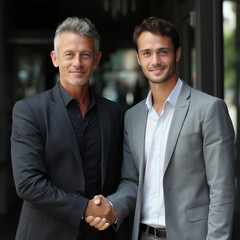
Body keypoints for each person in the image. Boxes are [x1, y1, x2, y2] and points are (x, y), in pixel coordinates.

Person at [87, 17, 235, 240]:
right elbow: (131, 182)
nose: (155, 60)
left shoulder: (209, 109)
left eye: (163, 51)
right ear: (138, 58)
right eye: (147, 53)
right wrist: (111, 206)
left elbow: (222, 189)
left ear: (177, 53)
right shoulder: (133, 117)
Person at [10, 16, 131, 240]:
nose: (77, 63)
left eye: (85, 54)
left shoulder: (114, 112)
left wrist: (112, 206)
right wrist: (85, 208)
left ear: (97, 59)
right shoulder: (29, 111)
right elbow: (28, 183)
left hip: (99, 235)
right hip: (45, 234)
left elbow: (123, 176)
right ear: (55, 59)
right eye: (69, 54)